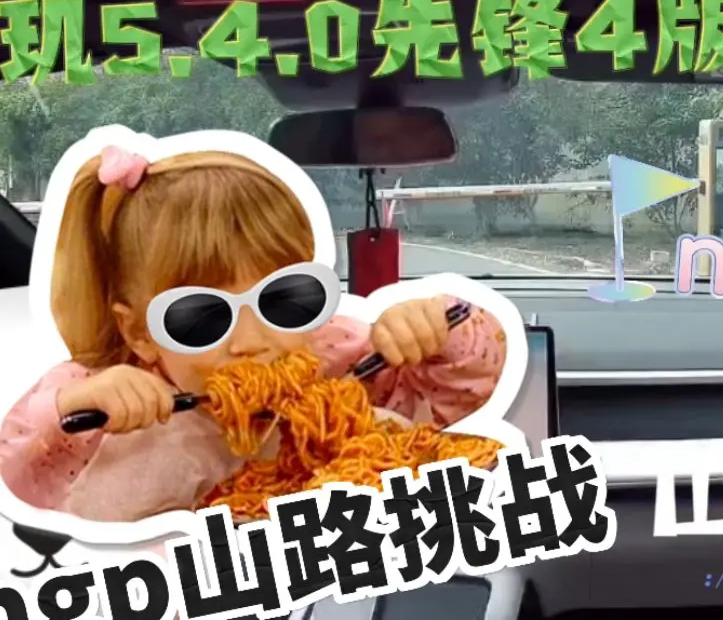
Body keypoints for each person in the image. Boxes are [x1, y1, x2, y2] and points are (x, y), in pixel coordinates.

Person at [0, 145, 507, 522]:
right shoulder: (103, 393)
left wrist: (435, 330)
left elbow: (457, 393)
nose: (250, 341)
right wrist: (68, 409)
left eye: (284, 299)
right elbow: (17, 475)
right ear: (139, 332)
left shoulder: (335, 353)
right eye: (200, 317)